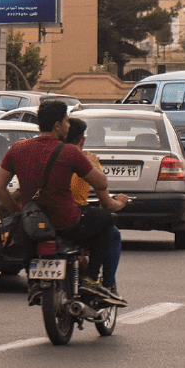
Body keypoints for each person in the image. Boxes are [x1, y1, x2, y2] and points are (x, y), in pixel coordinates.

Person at [0, 100, 128, 305]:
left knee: (33, 241)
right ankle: (91, 280)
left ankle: (35, 281)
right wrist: (91, 163)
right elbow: (102, 182)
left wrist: (20, 212)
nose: (68, 126)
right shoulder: (70, 152)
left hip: (32, 224)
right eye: (66, 121)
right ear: (57, 125)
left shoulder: (17, 149)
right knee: (106, 220)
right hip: (67, 223)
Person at [65, 117, 123, 301]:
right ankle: (104, 284)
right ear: (81, 140)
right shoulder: (86, 160)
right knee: (111, 229)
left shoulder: (44, 155)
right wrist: (121, 202)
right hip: (74, 217)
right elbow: (106, 202)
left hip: (43, 217)